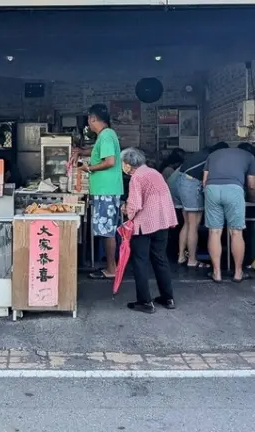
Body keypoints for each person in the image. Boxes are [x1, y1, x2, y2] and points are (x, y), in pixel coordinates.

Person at [120, 148, 178, 313]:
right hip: (162, 221)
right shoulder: (154, 173)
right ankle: (168, 298)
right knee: (160, 259)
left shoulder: (137, 177)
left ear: (128, 164)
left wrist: (126, 210)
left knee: (140, 262)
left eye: (123, 163)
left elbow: (135, 205)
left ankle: (145, 302)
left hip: (144, 224)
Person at [74, 104, 124, 280]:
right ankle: (110, 266)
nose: (88, 123)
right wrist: (82, 151)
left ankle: (112, 269)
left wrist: (88, 168)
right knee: (105, 230)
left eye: (88, 119)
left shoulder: (107, 135)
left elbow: (110, 161)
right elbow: (98, 151)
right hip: (104, 190)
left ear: (92, 118)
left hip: (107, 190)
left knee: (107, 232)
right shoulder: (104, 135)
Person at [203, 142, 255, 283]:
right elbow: (251, 184)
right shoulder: (250, 157)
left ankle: (217, 273)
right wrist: (253, 199)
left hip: (212, 189)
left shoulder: (213, 154)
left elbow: (204, 181)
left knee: (214, 232)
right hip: (234, 190)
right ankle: (238, 273)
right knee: (236, 232)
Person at [175, 142, 229, 268]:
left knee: (187, 223)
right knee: (194, 225)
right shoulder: (212, 157)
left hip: (182, 182)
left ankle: (181, 256)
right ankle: (192, 260)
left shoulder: (203, 153)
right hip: (191, 185)